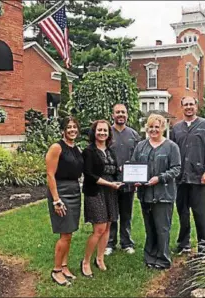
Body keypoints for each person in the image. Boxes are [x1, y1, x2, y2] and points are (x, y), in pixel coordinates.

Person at [131, 114, 181, 269]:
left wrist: (159, 178)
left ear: (163, 128)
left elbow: (176, 169)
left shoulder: (171, 147)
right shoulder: (141, 146)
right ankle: (150, 257)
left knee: (162, 228)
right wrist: (135, 179)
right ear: (147, 128)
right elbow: (134, 164)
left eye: (157, 127)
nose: (153, 130)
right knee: (150, 227)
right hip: (145, 194)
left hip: (163, 194)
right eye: (151, 127)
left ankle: (163, 259)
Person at [170, 96, 205, 256]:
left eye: (192, 104)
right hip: (180, 178)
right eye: (186, 104)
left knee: (201, 213)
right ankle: (184, 243)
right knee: (182, 212)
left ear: (196, 106)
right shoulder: (176, 128)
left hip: (199, 177)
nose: (189, 107)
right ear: (182, 106)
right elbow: (172, 151)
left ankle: (204, 245)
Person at [81, 120, 124, 277]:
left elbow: (115, 170)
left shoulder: (110, 151)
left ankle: (99, 259)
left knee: (107, 227)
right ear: (94, 132)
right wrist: (109, 183)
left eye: (105, 130)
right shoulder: (89, 151)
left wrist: (121, 178)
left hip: (110, 192)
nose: (102, 133)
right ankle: (85, 261)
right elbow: (90, 175)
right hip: (95, 191)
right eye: (99, 130)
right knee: (99, 228)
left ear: (109, 133)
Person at [46, 116, 84, 286]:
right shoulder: (57, 147)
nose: (72, 130)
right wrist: (56, 200)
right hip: (61, 192)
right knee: (65, 233)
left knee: (69, 233)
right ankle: (56, 271)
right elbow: (50, 174)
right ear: (63, 129)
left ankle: (64, 266)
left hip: (75, 191)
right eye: (69, 127)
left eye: (74, 127)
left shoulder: (76, 148)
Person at [105, 103, 141, 256]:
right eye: (117, 112)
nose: (120, 115)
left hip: (128, 182)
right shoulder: (107, 133)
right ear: (112, 115)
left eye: (123, 112)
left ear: (127, 115)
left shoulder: (133, 135)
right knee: (112, 213)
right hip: (111, 182)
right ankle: (109, 243)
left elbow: (139, 157)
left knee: (126, 213)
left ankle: (126, 242)